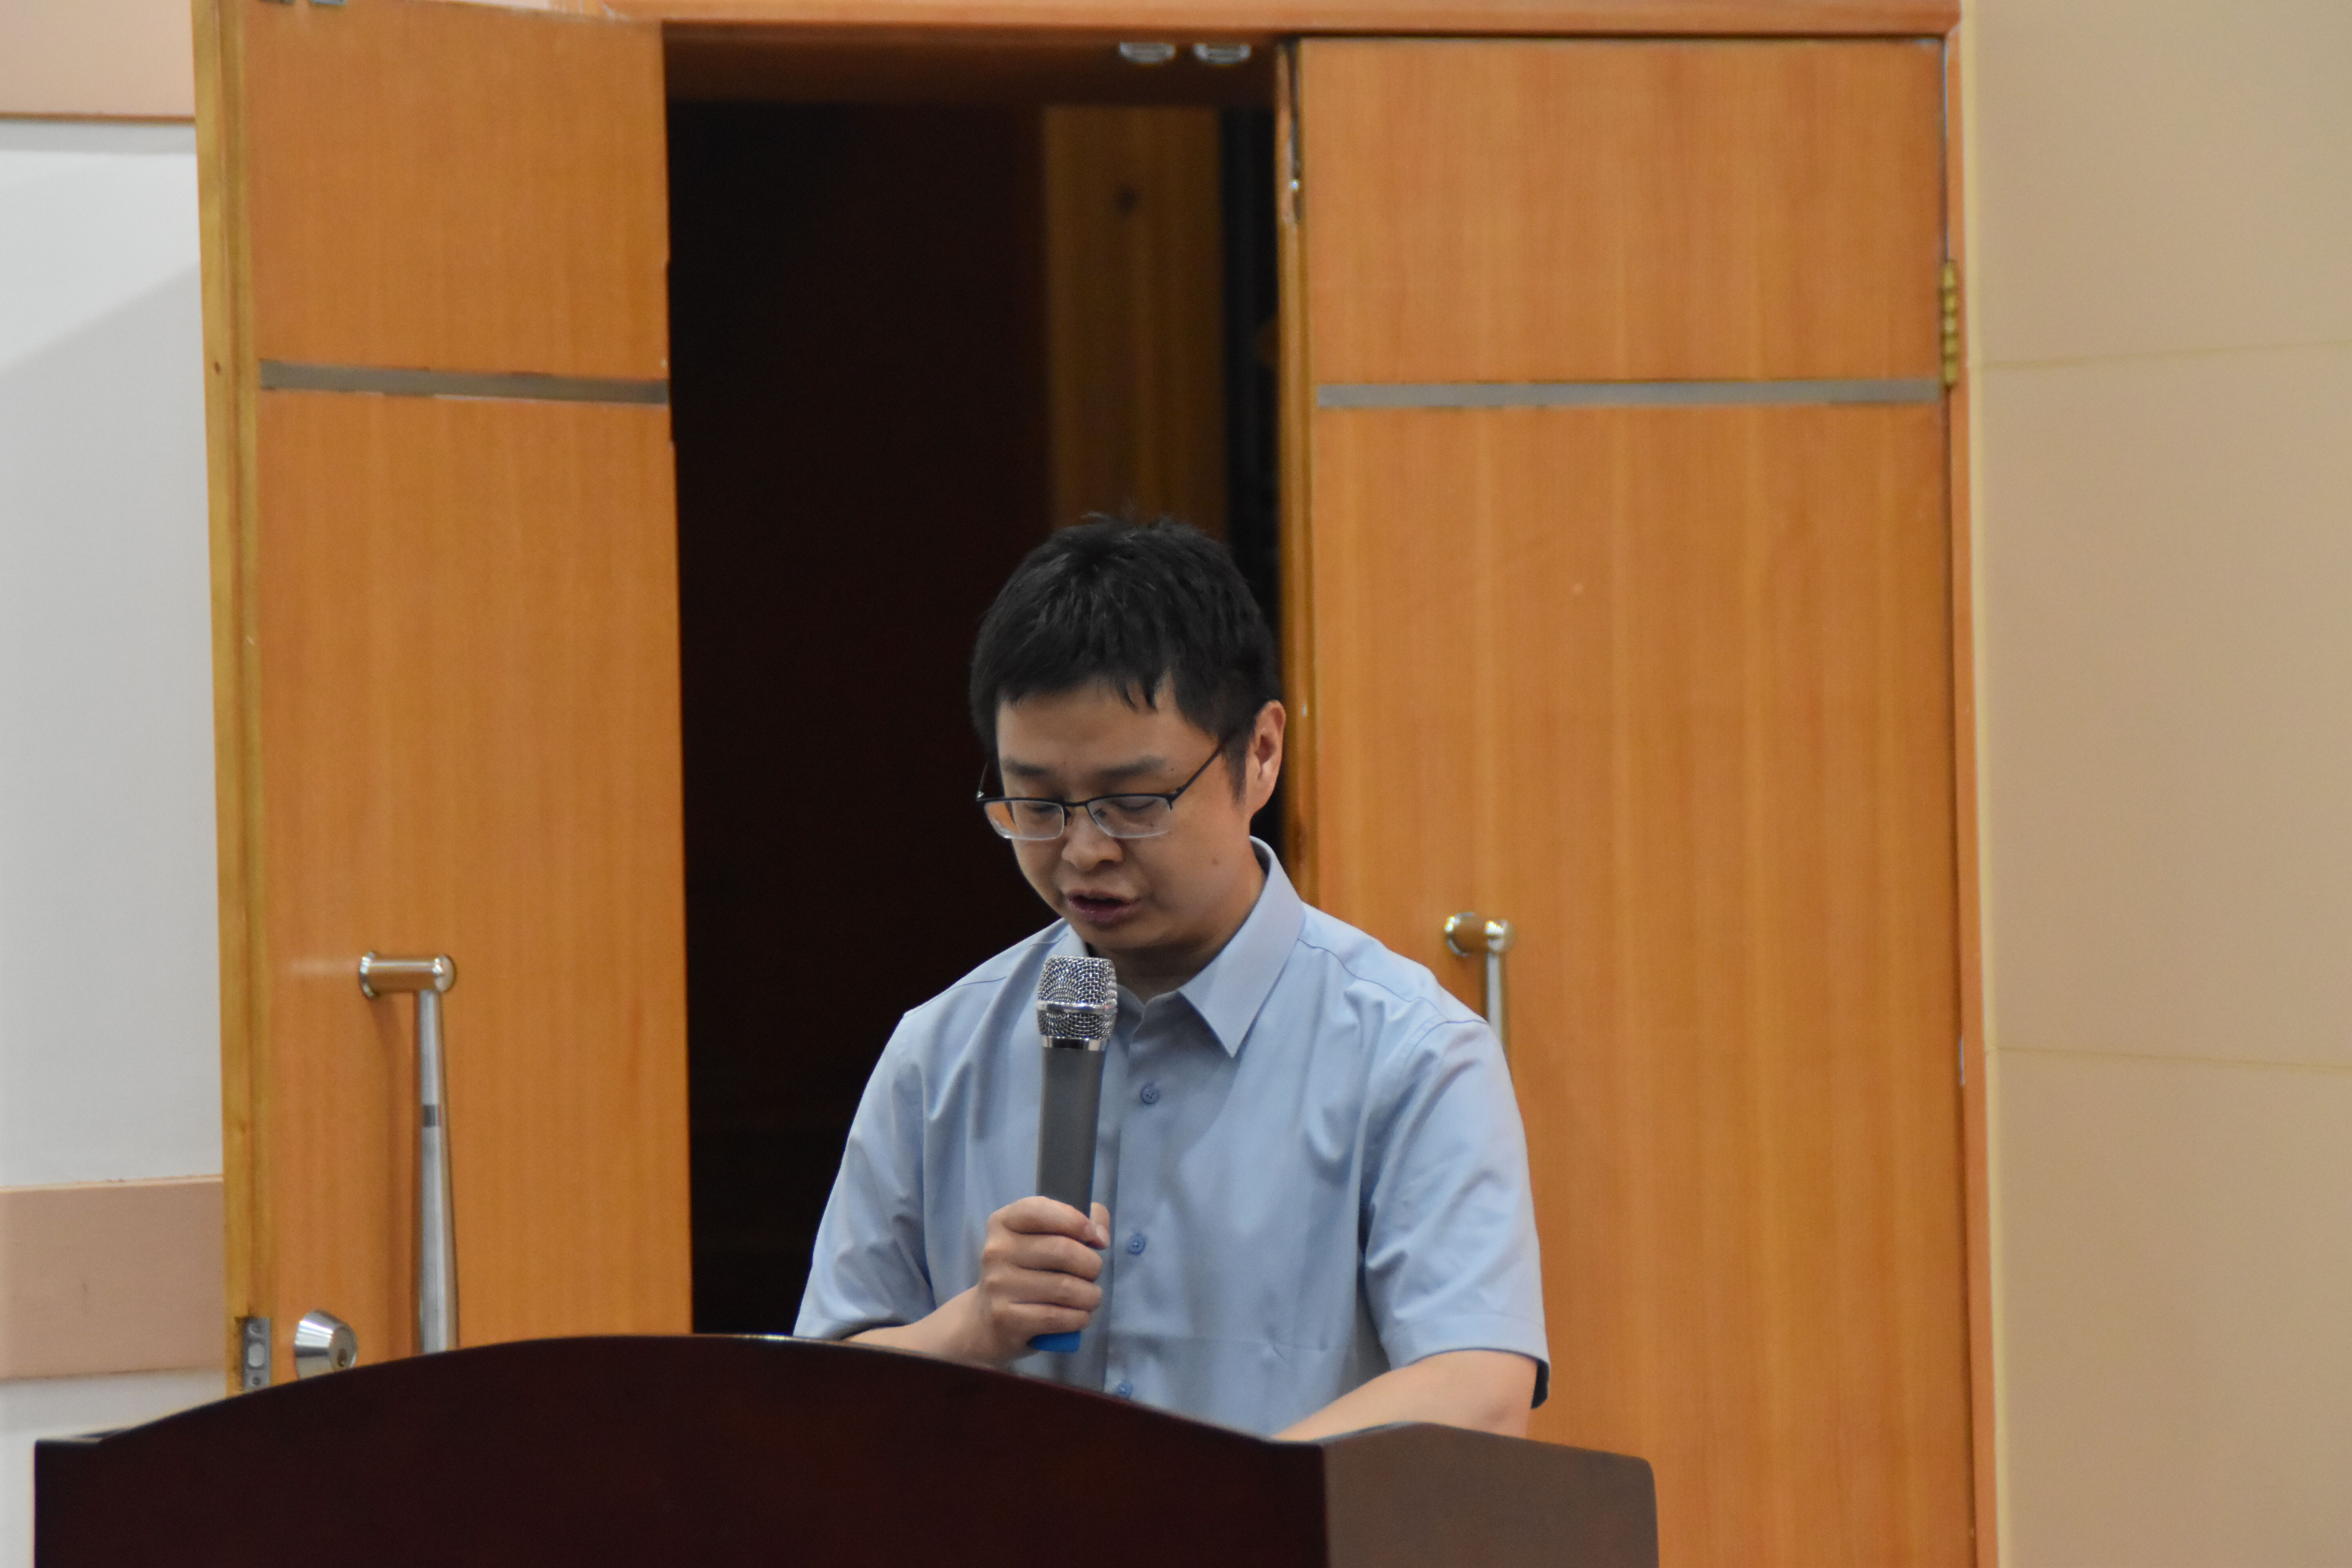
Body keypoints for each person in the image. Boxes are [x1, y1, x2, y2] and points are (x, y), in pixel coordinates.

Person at [795, 516, 1546, 1439]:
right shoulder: (940, 1050)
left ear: (1260, 752)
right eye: (1037, 802)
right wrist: (970, 1327)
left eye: (1133, 802)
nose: (1084, 850)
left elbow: (1478, 1386)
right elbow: (812, 1404)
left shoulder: (1413, 1053)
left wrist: (1209, 1504)